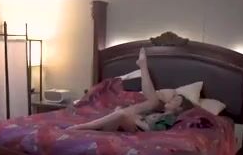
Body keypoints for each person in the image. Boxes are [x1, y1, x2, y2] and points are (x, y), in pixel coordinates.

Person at [67, 49, 195, 132]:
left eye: (176, 100)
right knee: (151, 102)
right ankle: (143, 66)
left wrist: (134, 119)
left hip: (137, 129)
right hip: (127, 124)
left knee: (122, 114)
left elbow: (151, 130)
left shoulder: (170, 118)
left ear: (180, 109)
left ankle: (85, 127)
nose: (172, 99)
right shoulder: (159, 110)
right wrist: (134, 116)